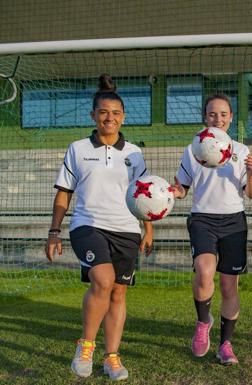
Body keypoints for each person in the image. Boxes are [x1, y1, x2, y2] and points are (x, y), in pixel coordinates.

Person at [45, 74, 154, 381]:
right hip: (87, 225)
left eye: (116, 113)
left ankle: (112, 358)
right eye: (104, 112)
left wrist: (149, 229)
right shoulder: (77, 149)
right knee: (103, 280)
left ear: (123, 118)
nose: (110, 118)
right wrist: (54, 231)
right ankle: (86, 346)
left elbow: (142, 194)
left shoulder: (134, 153)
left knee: (118, 293)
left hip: (127, 229)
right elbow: (64, 193)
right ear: (93, 115)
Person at [172, 94, 252, 365]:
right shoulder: (192, 149)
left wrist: (251, 173)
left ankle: (225, 345)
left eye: (223, 114)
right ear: (204, 117)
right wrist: (176, 191)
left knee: (229, 285)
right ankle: (202, 322)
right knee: (205, 270)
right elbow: (183, 189)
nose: (217, 119)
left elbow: (250, 194)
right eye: (212, 114)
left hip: (233, 221)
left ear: (231, 117)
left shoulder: (241, 151)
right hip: (203, 220)